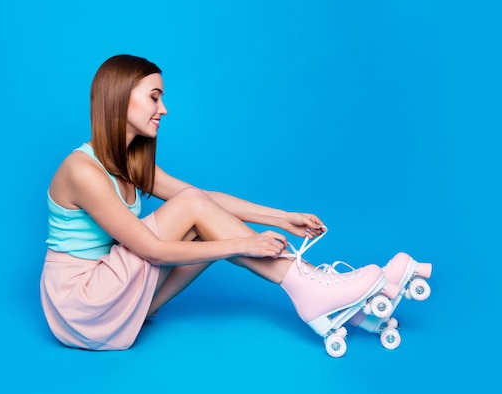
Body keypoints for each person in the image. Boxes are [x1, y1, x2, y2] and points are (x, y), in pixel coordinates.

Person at [39, 54, 426, 355]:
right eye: (154, 97)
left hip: (117, 298)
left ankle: (328, 294)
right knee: (195, 213)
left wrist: (282, 217)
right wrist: (243, 244)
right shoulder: (83, 170)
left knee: (198, 212)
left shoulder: (130, 162)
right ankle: (310, 286)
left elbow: (207, 202)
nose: (164, 109)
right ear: (120, 97)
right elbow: (151, 249)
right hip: (82, 304)